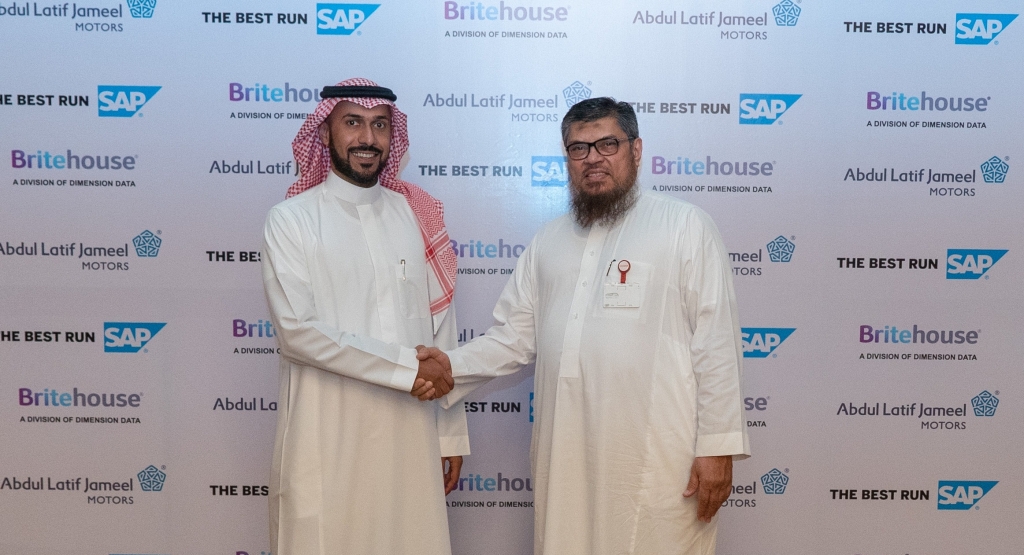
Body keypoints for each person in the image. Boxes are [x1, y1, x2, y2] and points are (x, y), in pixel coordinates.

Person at [419, 97, 750, 555]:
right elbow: (513, 338)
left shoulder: (685, 226)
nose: (593, 158)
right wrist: (449, 366)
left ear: (636, 150)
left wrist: (717, 447)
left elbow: (716, 344)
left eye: (607, 144)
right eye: (579, 148)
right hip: (566, 454)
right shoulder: (548, 241)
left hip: (659, 456)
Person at [261, 77, 468, 555]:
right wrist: (406, 368)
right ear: (325, 132)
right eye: (352, 122)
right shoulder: (291, 220)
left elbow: (442, 331)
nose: (367, 138)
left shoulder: (416, 215)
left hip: (410, 431)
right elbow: (297, 333)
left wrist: (451, 434)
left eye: (380, 125)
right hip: (326, 430)